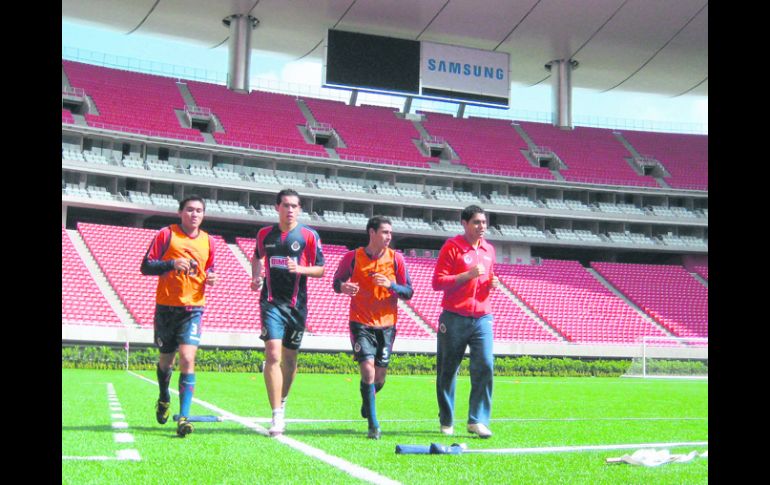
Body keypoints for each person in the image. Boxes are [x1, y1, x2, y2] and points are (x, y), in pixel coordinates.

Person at [140, 194, 218, 437]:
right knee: (166, 362)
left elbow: (210, 269)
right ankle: (164, 396)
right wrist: (172, 264)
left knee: (187, 358)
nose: (194, 214)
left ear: (203, 215)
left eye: (199, 211)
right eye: (190, 210)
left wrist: (212, 277)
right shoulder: (166, 234)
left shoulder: (209, 241)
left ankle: (183, 417)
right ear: (180, 212)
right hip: (166, 308)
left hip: (193, 308)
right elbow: (146, 266)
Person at [251, 189, 325, 436]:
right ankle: (276, 415)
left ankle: (282, 400)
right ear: (277, 208)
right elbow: (256, 257)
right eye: (285, 205)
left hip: (297, 306)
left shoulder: (308, 236)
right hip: (271, 303)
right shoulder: (265, 234)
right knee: (273, 354)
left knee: (290, 360)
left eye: (294, 206)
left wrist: (301, 269)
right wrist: (255, 277)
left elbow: (321, 270)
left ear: (299, 209)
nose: (290, 209)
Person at [332, 216, 414, 439]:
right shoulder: (352, 257)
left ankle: (367, 401)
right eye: (385, 232)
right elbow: (335, 283)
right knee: (367, 369)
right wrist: (344, 286)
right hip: (360, 321)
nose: (389, 237)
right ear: (372, 233)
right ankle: (373, 425)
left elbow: (408, 292)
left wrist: (391, 285)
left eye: (390, 233)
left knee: (379, 378)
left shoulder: (396, 259)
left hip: (387, 324)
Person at [431, 205, 498, 439]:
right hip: (454, 316)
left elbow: (486, 278)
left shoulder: (489, 250)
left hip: (482, 316)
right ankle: (447, 418)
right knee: (448, 370)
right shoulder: (452, 247)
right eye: (477, 222)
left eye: (484, 222)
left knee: (486, 365)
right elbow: (437, 282)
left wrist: (491, 284)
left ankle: (477, 420)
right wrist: (466, 276)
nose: (482, 227)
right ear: (464, 223)